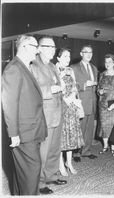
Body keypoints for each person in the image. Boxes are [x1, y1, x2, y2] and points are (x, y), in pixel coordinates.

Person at [1, 35, 48, 195]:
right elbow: (9, 103)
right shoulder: (14, 68)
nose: (38, 50)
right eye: (36, 46)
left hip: (31, 130)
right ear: (24, 47)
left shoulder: (24, 66)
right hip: (23, 133)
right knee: (31, 174)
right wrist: (13, 134)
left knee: (23, 174)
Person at [31, 36, 67, 194]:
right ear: (39, 48)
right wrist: (50, 90)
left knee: (54, 149)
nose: (53, 50)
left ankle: (51, 176)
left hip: (57, 112)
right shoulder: (33, 66)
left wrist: (62, 88)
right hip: (44, 115)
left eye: (54, 47)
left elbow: (58, 86)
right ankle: (38, 183)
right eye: (49, 47)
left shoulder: (52, 66)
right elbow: (31, 91)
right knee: (42, 152)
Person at [55, 48, 85, 176]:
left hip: (71, 106)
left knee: (71, 136)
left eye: (69, 56)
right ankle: (60, 165)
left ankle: (69, 163)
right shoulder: (54, 69)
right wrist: (65, 99)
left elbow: (74, 87)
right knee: (62, 137)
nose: (67, 59)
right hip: (60, 106)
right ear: (58, 58)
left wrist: (73, 98)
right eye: (65, 56)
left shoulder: (70, 70)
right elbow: (54, 89)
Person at [71, 44, 98, 161]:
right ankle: (76, 153)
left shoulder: (94, 68)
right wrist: (84, 84)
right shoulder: (74, 67)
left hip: (92, 103)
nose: (89, 54)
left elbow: (95, 85)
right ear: (81, 54)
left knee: (89, 129)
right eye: (86, 52)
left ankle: (86, 151)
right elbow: (71, 85)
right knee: (80, 129)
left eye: (90, 52)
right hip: (81, 103)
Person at [97, 54, 114, 156]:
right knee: (104, 126)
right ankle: (105, 146)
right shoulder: (102, 74)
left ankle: (113, 147)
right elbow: (98, 89)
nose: (107, 64)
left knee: (113, 126)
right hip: (103, 104)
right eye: (106, 62)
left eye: (109, 62)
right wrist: (100, 91)